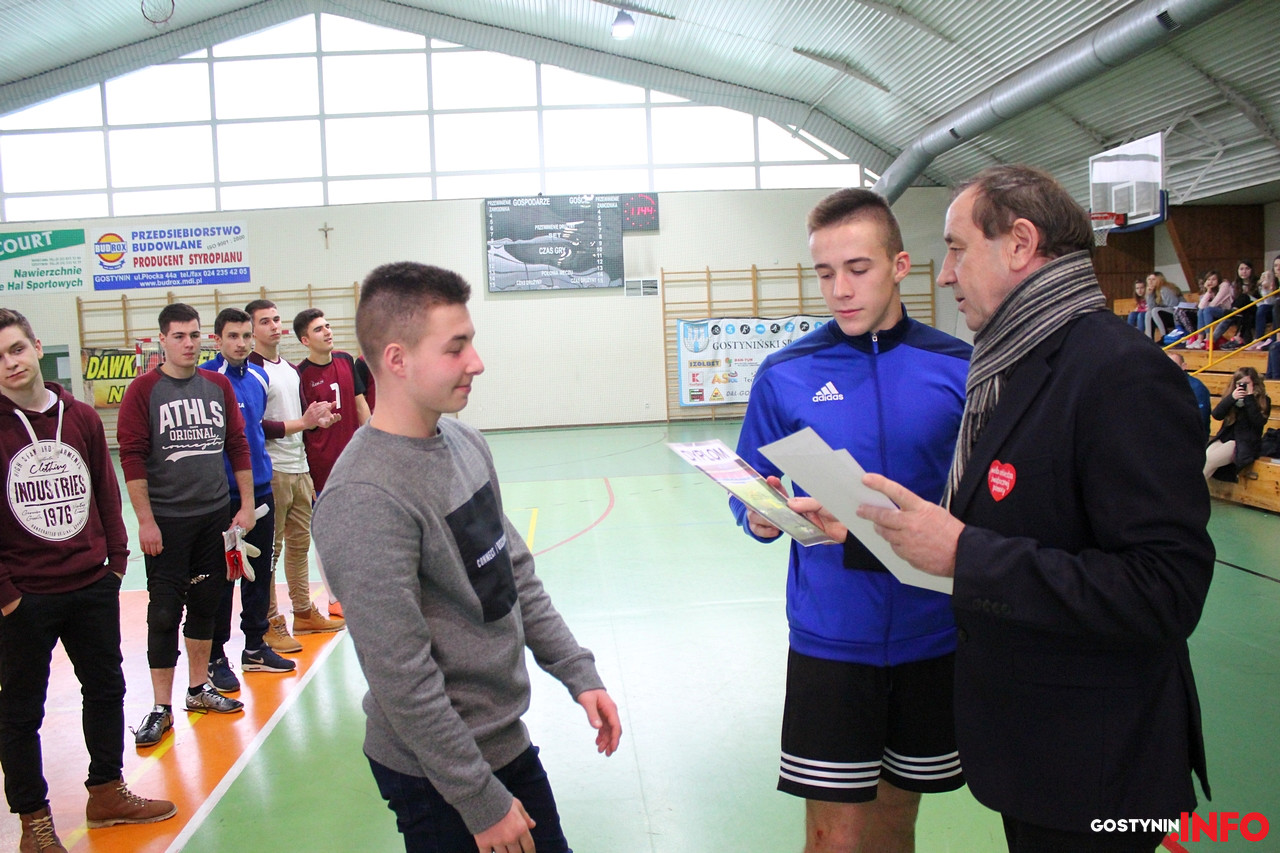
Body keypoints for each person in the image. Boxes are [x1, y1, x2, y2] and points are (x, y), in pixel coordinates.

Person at [797, 166, 1213, 853]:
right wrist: (870, 532)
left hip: (1098, 764)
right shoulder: (1014, 365)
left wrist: (965, 553)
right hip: (1037, 753)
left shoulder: (1119, 372)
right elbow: (1011, 530)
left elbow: (1165, 588)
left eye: (957, 249)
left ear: (1019, 243)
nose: (945, 274)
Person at [311, 262, 621, 853]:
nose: (475, 362)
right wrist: (479, 800)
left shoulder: (464, 442)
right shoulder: (364, 498)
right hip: (437, 775)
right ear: (397, 360)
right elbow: (401, 677)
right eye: (456, 349)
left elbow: (513, 576)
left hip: (502, 742)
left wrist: (576, 671)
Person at [732, 188, 970, 853]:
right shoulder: (785, 374)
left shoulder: (960, 369)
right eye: (825, 272)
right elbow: (748, 486)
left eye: (858, 269)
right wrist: (760, 515)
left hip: (933, 635)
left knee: (897, 822)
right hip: (831, 640)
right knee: (833, 838)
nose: (840, 289)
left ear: (899, 265)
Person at [0, 309, 176, 852]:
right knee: (20, 712)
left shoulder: (79, 417)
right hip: (24, 595)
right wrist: (6, 594)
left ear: (36, 347)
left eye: (15, 349)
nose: (9, 363)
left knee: (106, 689)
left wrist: (115, 563)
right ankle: (34, 823)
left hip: (91, 584)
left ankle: (106, 793)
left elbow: (105, 489)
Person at [118, 303, 254, 747]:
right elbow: (132, 457)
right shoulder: (143, 391)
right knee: (163, 613)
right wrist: (145, 521)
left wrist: (246, 504)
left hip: (214, 517)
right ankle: (161, 707)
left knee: (207, 605)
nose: (188, 343)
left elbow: (237, 444)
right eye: (179, 336)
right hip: (168, 522)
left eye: (194, 335)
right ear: (162, 340)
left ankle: (198, 689)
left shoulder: (217, 386)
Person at [200, 308, 297, 689]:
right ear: (217, 340)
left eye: (245, 336)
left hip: (261, 490)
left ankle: (255, 646)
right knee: (223, 577)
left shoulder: (259, 376)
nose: (241, 343)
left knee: (259, 573)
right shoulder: (207, 379)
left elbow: (257, 430)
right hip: (222, 496)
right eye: (233, 336)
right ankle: (215, 655)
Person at [245, 300, 345, 651]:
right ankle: (270, 620)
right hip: (272, 471)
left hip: (299, 467)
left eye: (276, 319)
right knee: (270, 552)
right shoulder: (251, 371)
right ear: (251, 330)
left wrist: (316, 422)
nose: (274, 326)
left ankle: (302, 612)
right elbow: (255, 426)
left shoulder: (289, 369)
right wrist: (302, 423)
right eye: (265, 322)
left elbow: (300, 419)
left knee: (300, 546)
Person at [294, 307, 370, 619]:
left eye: (327, 326)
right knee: (328, 533)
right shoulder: (299, 375)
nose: (327, 332)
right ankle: (335, 597)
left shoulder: (345, 360)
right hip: (321, 466)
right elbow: (301, 428)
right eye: (318, 329)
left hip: (354, 460)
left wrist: (372, 443)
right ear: (304, 340)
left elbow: (360, 405)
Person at [1204, 366, 1270, 481]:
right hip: (1225, 438)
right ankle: (1195, 489)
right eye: (1239, 384)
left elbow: (1258, 422)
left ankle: (1191, 489)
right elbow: (1216, 415)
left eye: (1246, 384)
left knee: (1210, 460)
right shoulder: (1232, 397)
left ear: (1254, 383)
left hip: (1245, 443)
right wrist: (1231, 398)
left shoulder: (1263, 400)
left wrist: (1249, 398)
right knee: (1205, 460)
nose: (1242, 387)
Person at [1168, 351, 1212, 439]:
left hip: (1190, 438)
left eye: (1174, 365)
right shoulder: (1162, 384)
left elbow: (1200, 418)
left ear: (1183, 366)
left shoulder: (1196, 387)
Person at [1190, 270, 1230, 348]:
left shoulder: (1224, 285)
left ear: (1218, 280)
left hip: (1227, 311)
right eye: (1208, 279)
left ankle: (1208, 338)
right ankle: (1200, 339)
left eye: (1213, 279)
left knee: (1207, 310)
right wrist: (1208, 291)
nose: (1211, 282)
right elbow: (1200, 306)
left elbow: (1214, 304)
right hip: (1215, 311)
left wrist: (1208, 298)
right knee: (1201, 311)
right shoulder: (1211, 289)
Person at [1144, 271, 1181, 341]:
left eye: (1153, 279)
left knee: (1155, 311)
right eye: (1149, 279)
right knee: (1148, 313)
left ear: (1159, 280)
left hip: (1177, 315)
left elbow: (1174, 306)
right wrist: (1150, 295)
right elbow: (1151, 308)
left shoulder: (1165, 289)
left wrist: (1159, 309)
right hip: (1163, 315)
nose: (1150, 282)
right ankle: (1149, 340)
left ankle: (1164, 336)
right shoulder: (1154, 291)